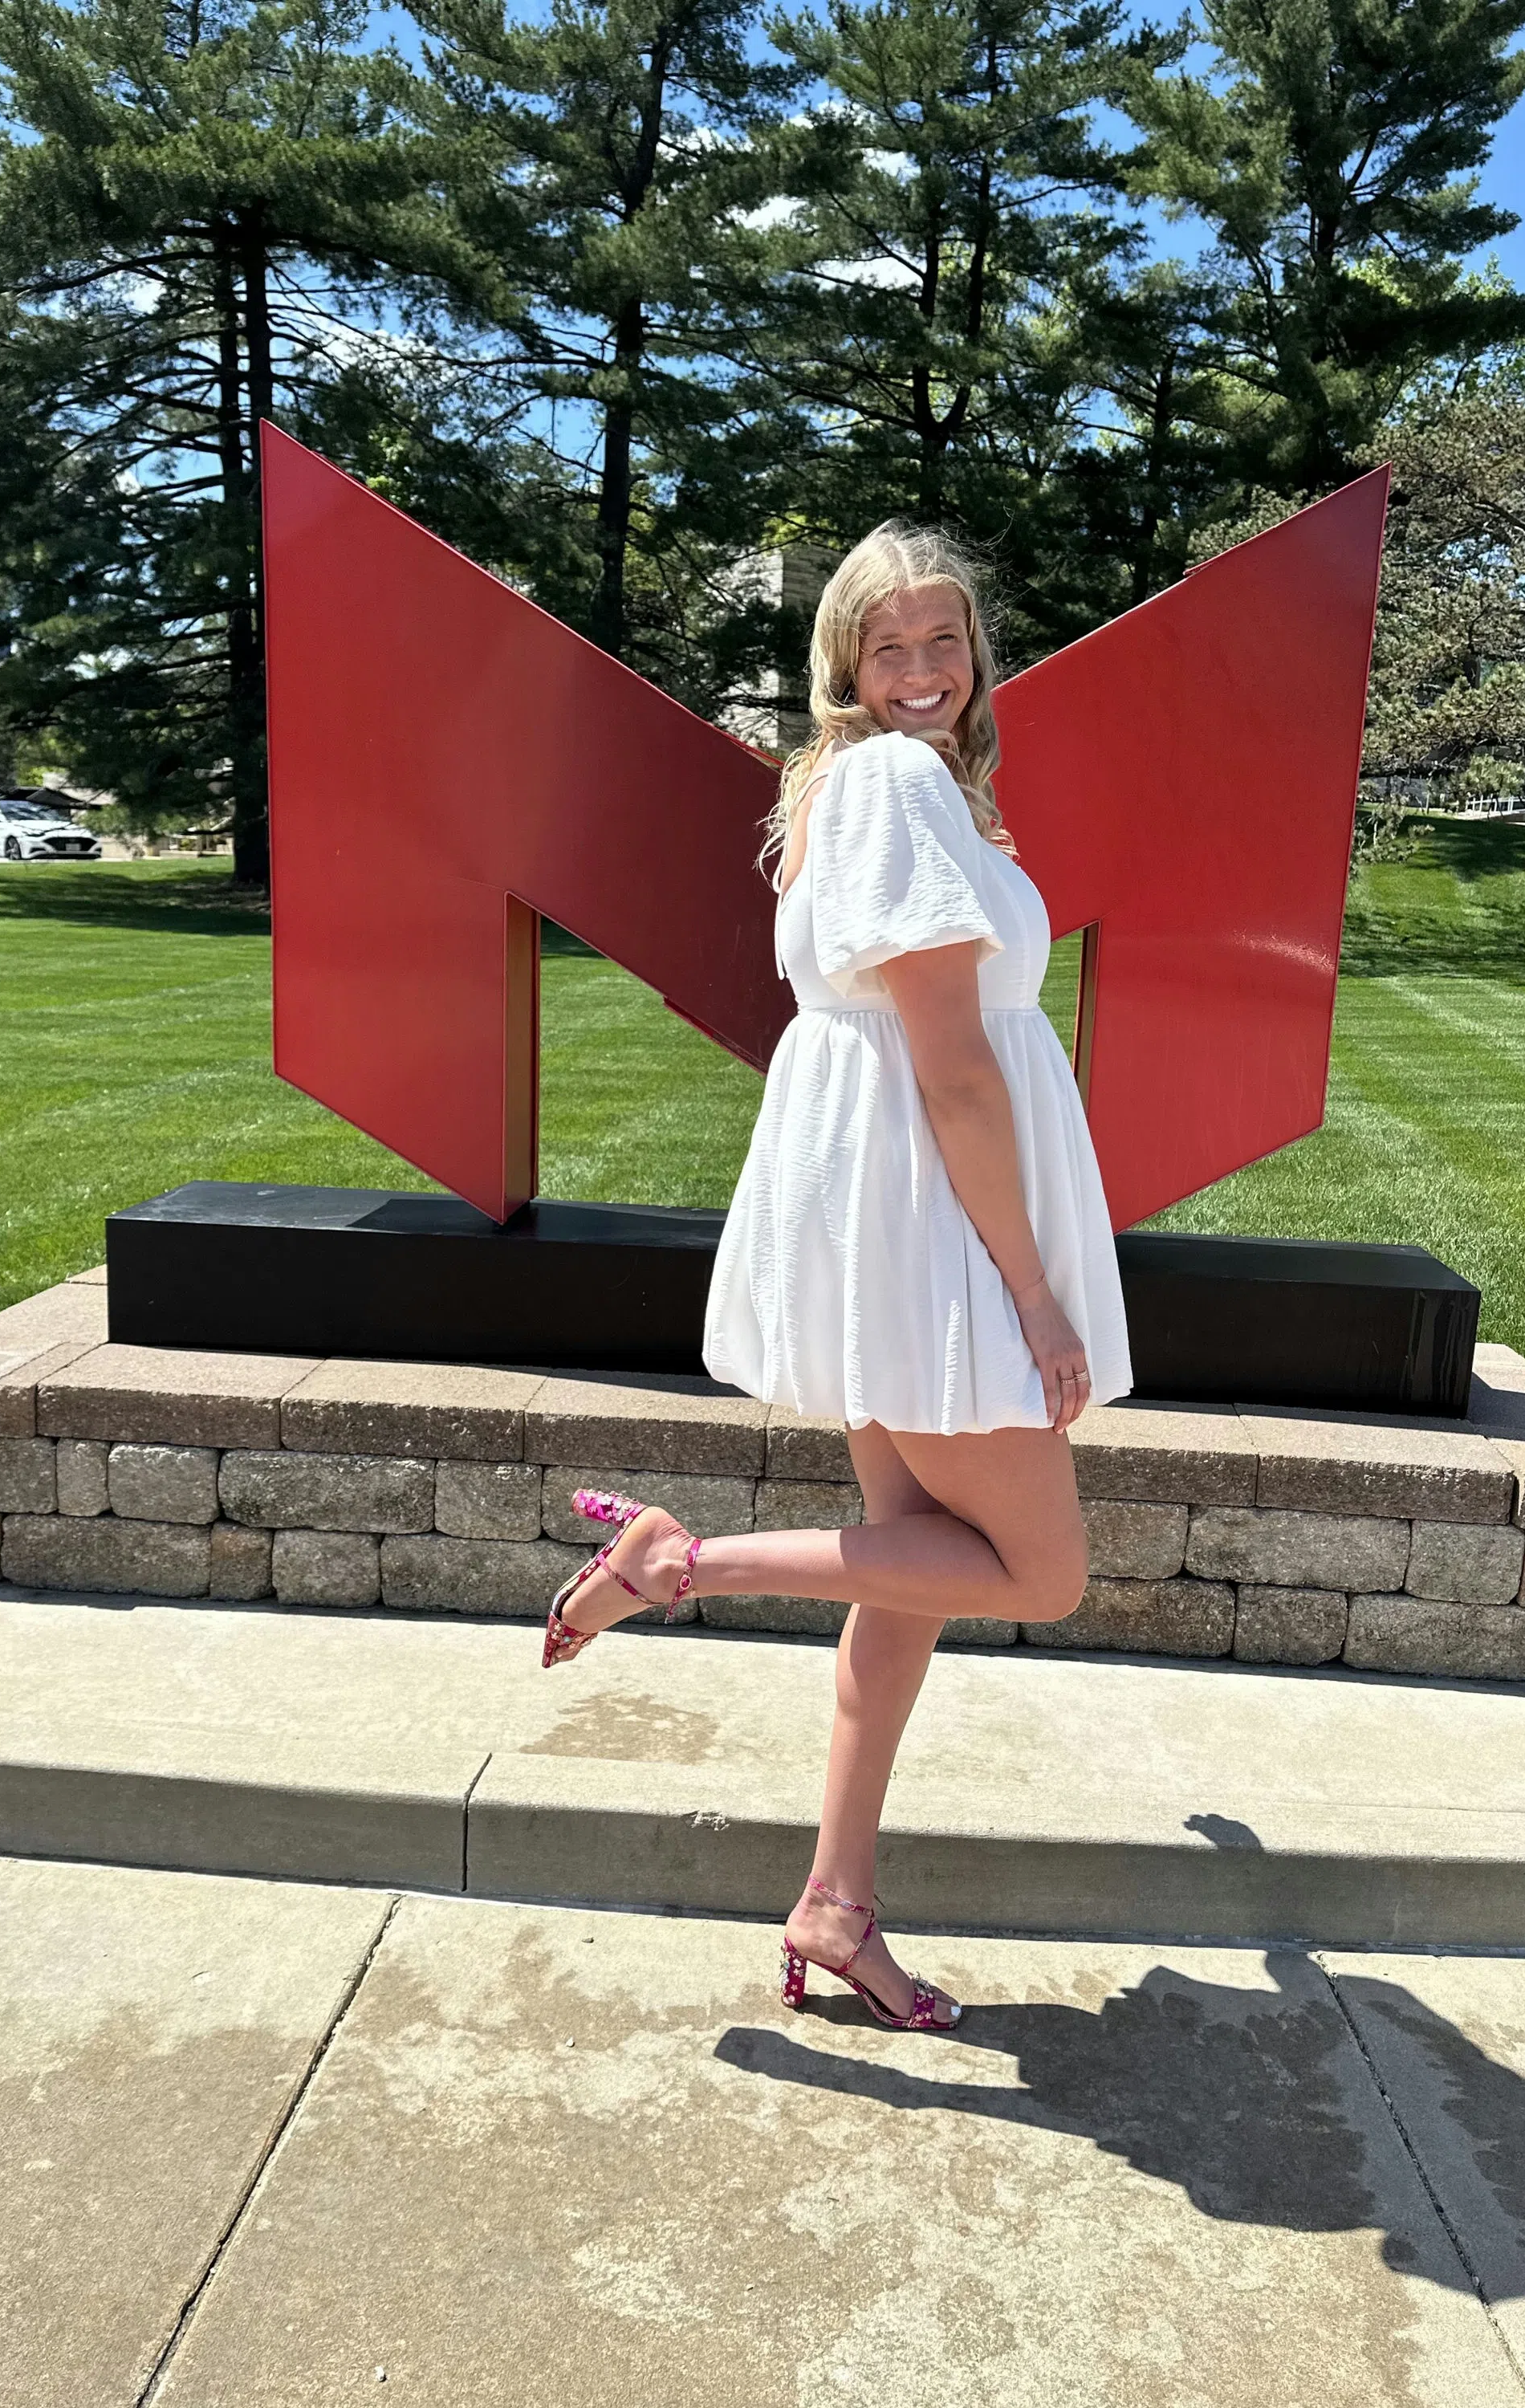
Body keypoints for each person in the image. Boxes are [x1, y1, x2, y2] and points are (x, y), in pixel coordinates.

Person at [542, 523, 1132, 2034]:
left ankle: (834, 1903)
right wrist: (1038, 1293)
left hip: (902, 1219)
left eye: (946, 641)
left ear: (977, 652)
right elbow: (952, 1067)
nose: (924, 670)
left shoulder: (870, 788)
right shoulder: (888, 781)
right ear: (846, 666)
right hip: (940, 1225)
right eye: (892, 648)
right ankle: (678, 1566)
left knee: (906, 1578)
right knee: (1041, 1572)